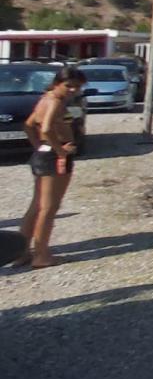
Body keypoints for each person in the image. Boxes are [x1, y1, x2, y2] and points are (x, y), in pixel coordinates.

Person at [17, 66, 86, 269]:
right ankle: (41, 255)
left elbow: (29, 125)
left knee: (37, 206)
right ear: (57, 83)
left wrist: (39, 147)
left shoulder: (45, 99)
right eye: (69, 86)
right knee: (49, 208)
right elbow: (46, 128)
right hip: (54, 159)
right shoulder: (55, 101)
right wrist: (60, 150)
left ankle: (20, 252)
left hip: (44, 155)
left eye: (77, 87)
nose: (73, 90)